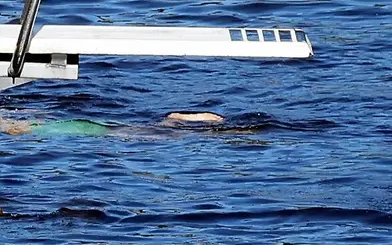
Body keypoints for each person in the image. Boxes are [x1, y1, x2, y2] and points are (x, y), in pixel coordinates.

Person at [0, 111, 225, 136]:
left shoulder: (16, 129)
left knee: (162, 135)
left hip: (92, 129)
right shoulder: (20, 123)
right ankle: (172, 120)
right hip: (89, 126)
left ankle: (173, 119)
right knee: (158, 134)